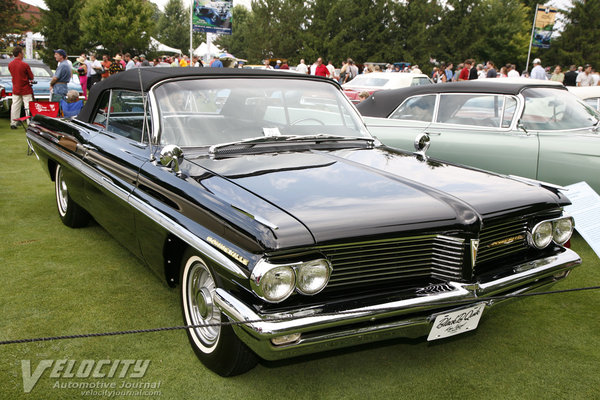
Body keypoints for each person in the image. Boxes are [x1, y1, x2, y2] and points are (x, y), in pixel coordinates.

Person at [8, 46, 34, 129]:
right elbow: (31, 76)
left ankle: (13, 122)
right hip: (25, 88)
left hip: (16, 87)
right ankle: (29, 122)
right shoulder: (24, 64)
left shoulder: (10, 64)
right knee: (28, 106)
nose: (23, 55)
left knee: (15, 106)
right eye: (22, 53)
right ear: (19, 53)